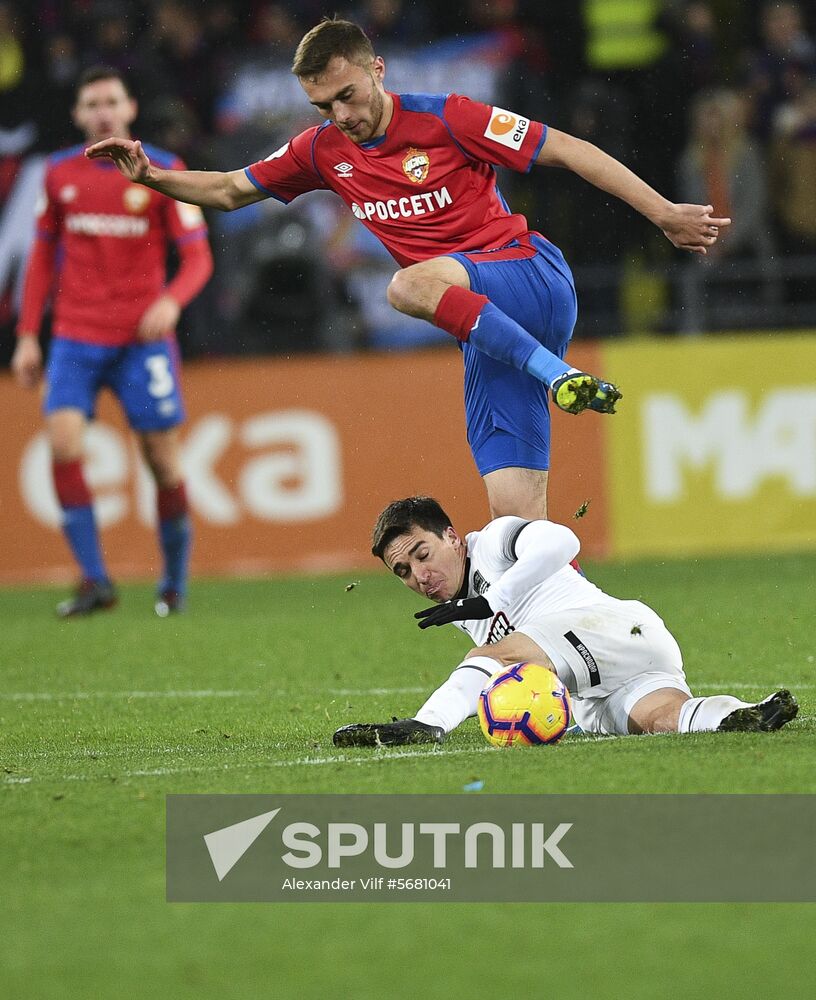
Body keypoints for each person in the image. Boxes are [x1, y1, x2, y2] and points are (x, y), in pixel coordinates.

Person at [86, 18, 730, 522]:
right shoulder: (322, 151)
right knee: (518, 522)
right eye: (322, 105)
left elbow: (567, 148)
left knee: (406, 284)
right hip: (484, 325)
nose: (340, 115)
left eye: (348, 94)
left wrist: (664, 211)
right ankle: (596, 661)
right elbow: (228, 189)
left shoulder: (448, 116)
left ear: (378, 71)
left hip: (526, 274)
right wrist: (152, 176)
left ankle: (560, 374)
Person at [332, 496, 799, 746]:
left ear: (452, 537)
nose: (419, 575)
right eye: (403, 571)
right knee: (663, 720)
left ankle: (428, 724)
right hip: (609, 672)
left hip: (608, 626)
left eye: (422, 554)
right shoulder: (459, 600)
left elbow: (563, 542)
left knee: (493, 655)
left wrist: (496, 596)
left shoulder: (493, 543)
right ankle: (741, 713)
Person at [10, 66, 214, 617]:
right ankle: (95, 580)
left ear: (128, 110)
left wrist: (171, 301)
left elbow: (197, 257)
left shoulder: (163, 172)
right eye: (91, 103)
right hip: (75, 337)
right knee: (62, 443)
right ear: (78, 115)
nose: (102, 111)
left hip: (140, 343)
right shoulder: (57, 175)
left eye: (111, 101)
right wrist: (29, 335)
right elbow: (41, 261)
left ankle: (172, 584)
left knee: (163, 464)